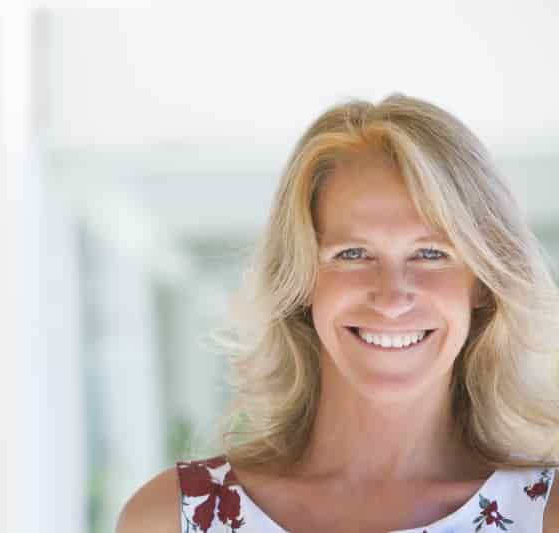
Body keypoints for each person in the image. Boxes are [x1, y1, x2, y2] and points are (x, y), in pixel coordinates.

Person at [116, 94, 559, 533]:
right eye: (352, 253)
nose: (391, 298)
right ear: (303, 279)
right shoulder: (169, 519)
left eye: (430, 253)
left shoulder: (547, 516)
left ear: (482, 282)